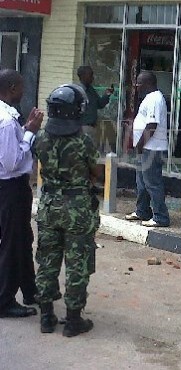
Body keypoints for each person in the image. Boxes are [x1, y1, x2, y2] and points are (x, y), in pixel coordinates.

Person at [35, 84, 101, 336]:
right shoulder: (83, 140)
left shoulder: (40, 137)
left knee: (47, 260)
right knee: (78, 263)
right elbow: (95, 172)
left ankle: (46, 316)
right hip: (78, 209)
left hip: (49, 206)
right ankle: (73, 320)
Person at [0, 69, 43, 318]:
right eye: (23, 86)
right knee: (11, 244)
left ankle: (29, 288)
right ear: (13, 87)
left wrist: (25, 127)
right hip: (10, 187)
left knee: (22, 239)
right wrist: (31, 132)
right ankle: (4, 300)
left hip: (13, 189)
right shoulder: (6, 121)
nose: (25, 91)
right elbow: (12, 161)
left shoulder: (8, 117)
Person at [125, 71, 170, 227]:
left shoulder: (155, 99)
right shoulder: (149, 98)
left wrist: (139, 145)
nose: (136, 86)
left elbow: (152, 125)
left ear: (147, 83)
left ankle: (161, 217)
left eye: (139, 83)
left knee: (152, 183)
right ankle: (142, 211)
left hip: (152, 148)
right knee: (142, 182)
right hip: (146, 147)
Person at [77, 65, 115, 146]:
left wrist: (107, 94)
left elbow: (99, 104)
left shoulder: (91, 90)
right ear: (83, 76)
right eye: (90, 75)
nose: (92, 78)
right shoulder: (77, 91)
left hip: (92, 127)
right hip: (82, 127)